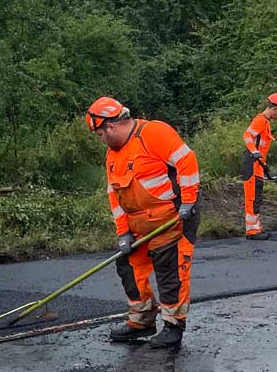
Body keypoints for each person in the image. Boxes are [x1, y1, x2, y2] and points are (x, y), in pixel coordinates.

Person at [85, 96, 200, 348]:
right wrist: (123, 232)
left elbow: (186, 160)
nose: (100, 139)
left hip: (171, 218)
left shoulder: (153, 133)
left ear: (111, 126)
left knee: (169, 270)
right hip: (138, 224)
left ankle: (173, 325)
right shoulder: (112, 155)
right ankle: (142, 320)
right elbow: (114, 195)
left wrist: (189, 201)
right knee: (128, 265)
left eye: (100, 134)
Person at [241, 93, 277, 240]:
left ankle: (256, 228)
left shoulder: (266, 123)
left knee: (257, 197)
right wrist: (254, 152)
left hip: (258, 165)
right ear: (275, 108)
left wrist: (266, 169)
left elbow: (261, 151)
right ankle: (252, 231)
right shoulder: (260, 120)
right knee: (252, 198)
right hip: (252, 164)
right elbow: (247, 135)